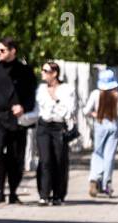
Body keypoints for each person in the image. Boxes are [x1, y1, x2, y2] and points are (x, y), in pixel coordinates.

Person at [0, 36, 37, 204]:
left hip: (17, 120)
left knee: (16, 156)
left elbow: (31, 95)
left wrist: (23, 107)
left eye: (2, 50)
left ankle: (13, 191)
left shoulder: (25, 71)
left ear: (13, 51)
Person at [33, 61, 76, 205]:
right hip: (43, 127)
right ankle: (44, 194)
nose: (42, 73)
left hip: (59, 127)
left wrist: (55, 101)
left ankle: (58, 195)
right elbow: (38, 109)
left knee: (59, 160)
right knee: (45, 160)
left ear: (55, 73)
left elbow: (68, 110)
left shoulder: (66, 89)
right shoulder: (40, 89)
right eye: (42, 70)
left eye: (45, 71)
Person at [84, 69, 118, 197]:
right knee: (109, 155)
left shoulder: (96, 94)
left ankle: (94, 179)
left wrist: (94, 114)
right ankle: (107, 183)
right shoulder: (116, 95)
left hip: (100, 124)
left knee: (98, 152)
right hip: (113, 125)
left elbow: (85, 111)